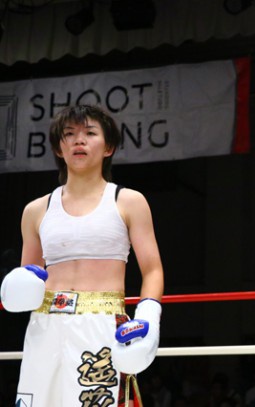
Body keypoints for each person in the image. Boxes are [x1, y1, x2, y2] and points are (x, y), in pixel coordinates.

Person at [0, 105, 164, 406]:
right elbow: (29, 280)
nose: (79, 140)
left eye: (89, 133)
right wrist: (14, 289)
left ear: (108, 147)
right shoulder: (35, 210)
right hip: (45, 326)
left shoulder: (128, 201)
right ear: (58, 148)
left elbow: (152, 270)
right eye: (69, 134)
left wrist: (149, 319)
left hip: (102, 324)